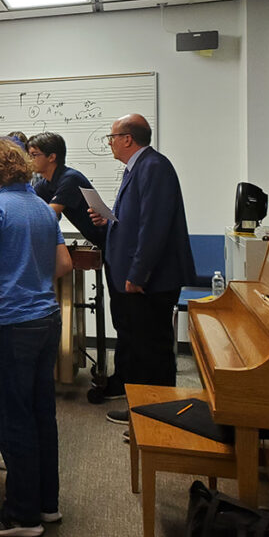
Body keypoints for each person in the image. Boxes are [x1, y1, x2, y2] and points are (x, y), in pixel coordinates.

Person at [0, 138, 72, 537]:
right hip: (46, 320)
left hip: (11, 325)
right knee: (41, 414)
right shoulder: (42, 208)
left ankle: (22, 515)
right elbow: (62, 264)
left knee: (13, 420)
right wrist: (31, 279)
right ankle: (47, 505)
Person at [88, 114, 195, 424]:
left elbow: (154, 227)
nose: (109, 143)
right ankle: (144, 410)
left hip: (151, 281)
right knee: (140, 346)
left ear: (127, 139)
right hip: (140, 276)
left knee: (153, 350)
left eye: (111, 137)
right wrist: (110, 220)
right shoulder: (138, 168)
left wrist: (137, 274)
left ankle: (156, 417)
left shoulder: (154, 167)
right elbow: (138, 220)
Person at [27, 132, 106, 249]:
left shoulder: (70, 179)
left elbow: (48, 215)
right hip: (97, 240)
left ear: (51, 157)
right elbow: (29, 209)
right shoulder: (44, 184)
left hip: (111, 239)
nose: (29, 160)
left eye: (34, 155)